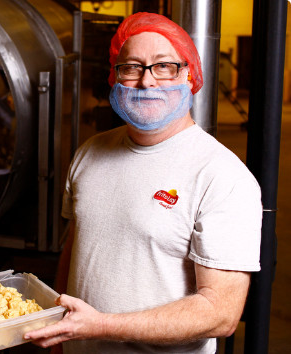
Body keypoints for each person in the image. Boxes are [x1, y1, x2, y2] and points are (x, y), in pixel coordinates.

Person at [24, 12, 262, 353]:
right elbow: (76, 249)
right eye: (132, 67)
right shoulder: (90, 153)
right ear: (115, 76)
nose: (147, 81)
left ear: (190, 74)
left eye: (164, 66)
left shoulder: (222, 176)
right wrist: (62, 331)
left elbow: (219, 313)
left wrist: (101, 326)